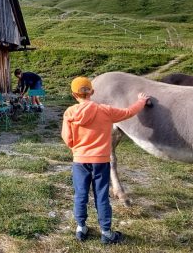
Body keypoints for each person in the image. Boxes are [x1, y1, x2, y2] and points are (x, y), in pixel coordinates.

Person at [61, 76, 149, 244]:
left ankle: (81, 228)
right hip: (101, 161)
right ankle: (106, 233)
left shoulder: (69, 113)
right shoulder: (105, 110)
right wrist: (141, 102)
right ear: (92, 92)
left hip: (79, 160)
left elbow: (67, 138)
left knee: (80, 194)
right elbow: (128, 112)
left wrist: (76, 149)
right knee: (101, 196)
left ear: (74, 94)